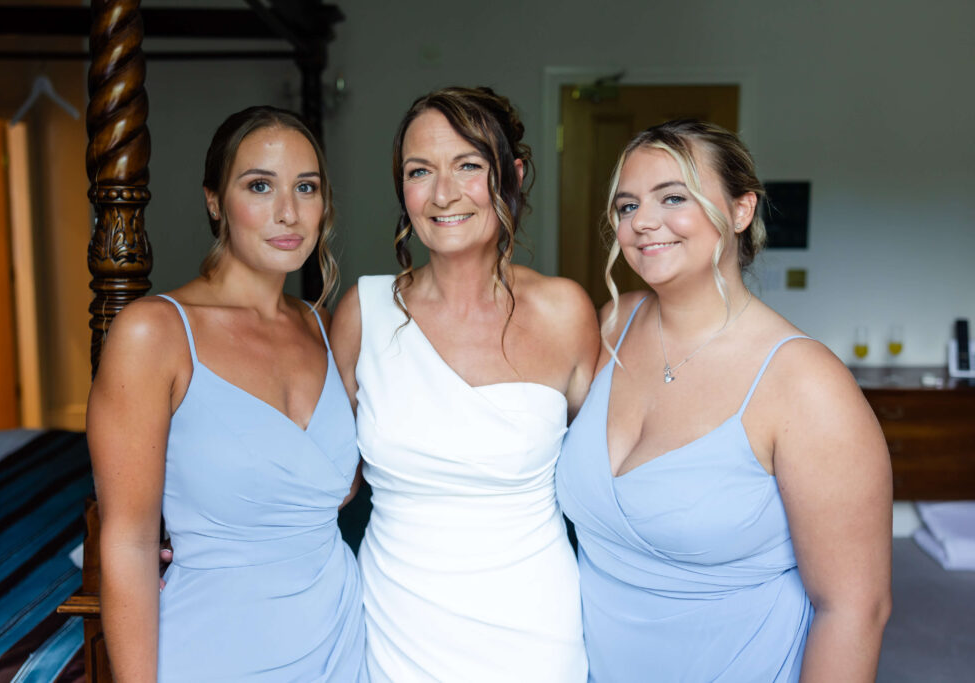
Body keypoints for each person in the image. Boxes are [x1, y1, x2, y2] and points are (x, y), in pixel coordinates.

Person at [556, 119, 892, 682]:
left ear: (741, 210)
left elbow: (857, 608)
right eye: (626, 205)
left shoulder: (804, 382)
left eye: (673, 197)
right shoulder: (612, 321)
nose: (643, 222)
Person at [87, 106, 367, 682]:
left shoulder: (324, 325)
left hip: (342, 641)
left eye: (305, 187)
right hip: (217, 648)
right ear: (215, 201)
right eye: (259, 186)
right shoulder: (155, 332)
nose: (288, 212)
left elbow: (337, 490)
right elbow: (128, 544)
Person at [331, 87, 598, 682]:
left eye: (469, 166)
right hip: (396, 626)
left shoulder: (565, 313)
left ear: (513, 175)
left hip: (534, 630)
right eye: (419, 171)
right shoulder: (364, 311)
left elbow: (609, 476)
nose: (443, 194)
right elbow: (322, 480)